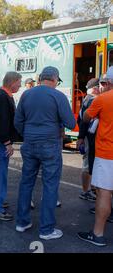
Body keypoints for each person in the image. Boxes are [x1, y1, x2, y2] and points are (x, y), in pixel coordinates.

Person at [14, 66, 76, 240]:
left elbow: (18, 121)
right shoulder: (58, 96)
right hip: (50, 144)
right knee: (50, 185)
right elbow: (71, 123)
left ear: (41, 78)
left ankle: (22, 222)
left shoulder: (26, 94)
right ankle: (46, 230)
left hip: (30, 143)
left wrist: (27, 134)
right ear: (55, 79)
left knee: (26, 182)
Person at [78, 67, 113, 247]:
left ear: (108, 83)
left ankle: (97, 234)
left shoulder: (102, 99)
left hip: (107, 154)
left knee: (104, 193)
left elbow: (85, 117)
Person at [0, 72, 22, 221]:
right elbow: (2, 122)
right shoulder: (2, 96)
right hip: (0, 139)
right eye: (19, 82)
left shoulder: (2, 95)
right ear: (12, 82)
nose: (20, 85)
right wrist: (7, 143)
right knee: (0, 173)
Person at [77, 78, 100, 202]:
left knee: (88, 163)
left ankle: (88, 190)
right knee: (88, 164)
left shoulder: (86, 99)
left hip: (87, 136)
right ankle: (86, 191)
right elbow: (84, 121)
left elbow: (80, 120)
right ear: (96, 88)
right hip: (90, 137)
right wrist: (82, 137)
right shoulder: (92, 100)